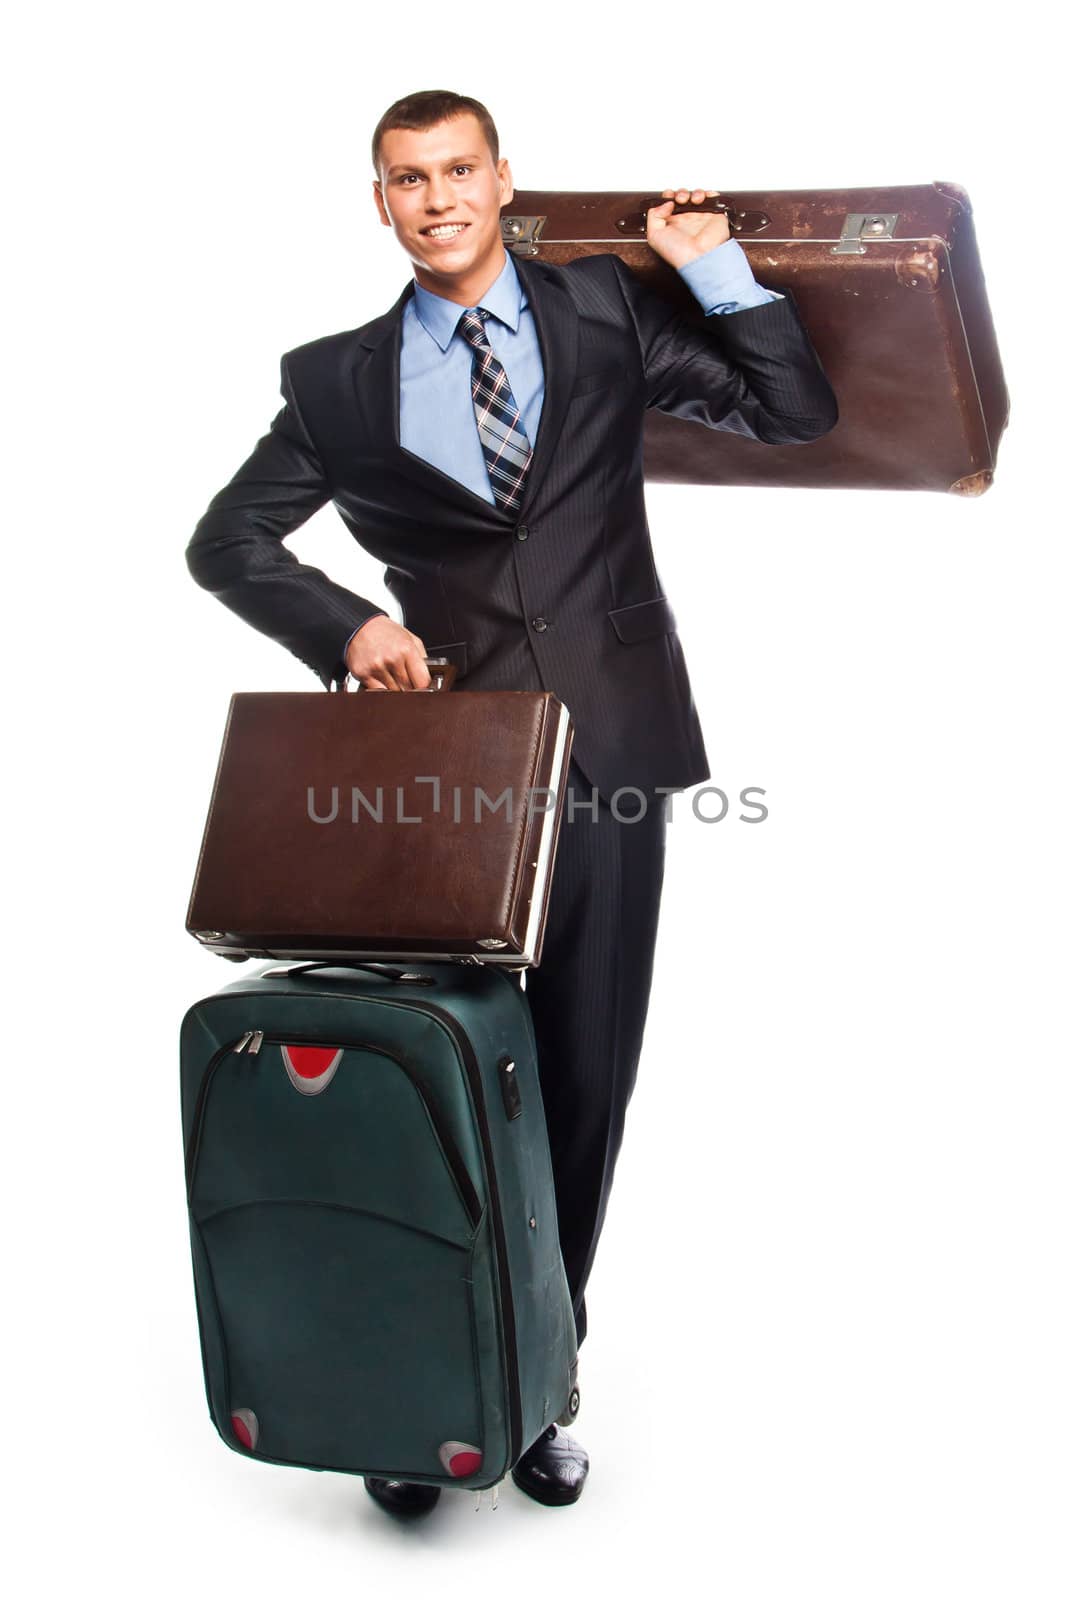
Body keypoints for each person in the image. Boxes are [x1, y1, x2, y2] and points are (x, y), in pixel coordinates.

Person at [186, 88, 838, 1517]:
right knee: (427, 1077)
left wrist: (716, 270)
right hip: (444, 780)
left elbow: (795, 409)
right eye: (408, 179)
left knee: (580, 1086)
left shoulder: (602, 313)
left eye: (460, 170)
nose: (437, 198)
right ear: (382, 201)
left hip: (609, 756)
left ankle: (537, 1379)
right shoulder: (338, 381)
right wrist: (344, 625)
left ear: (501, 181)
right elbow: (224, 542)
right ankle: (409, 1389)